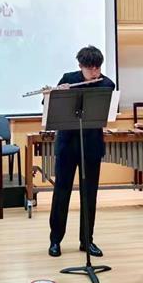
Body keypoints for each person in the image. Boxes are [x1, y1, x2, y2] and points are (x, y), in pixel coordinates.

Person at [48, 45, 116, 258]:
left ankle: (87, 240)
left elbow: (107, 113)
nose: (94, 72)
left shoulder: (107, 84)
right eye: (90, 69)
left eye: (97, 68)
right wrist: (56, 94)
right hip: (67, 144)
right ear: (80, 66)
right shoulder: (68, 79)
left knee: (89, 195)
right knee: (62, 192)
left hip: (91, 145)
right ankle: (55, 240)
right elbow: (48, 105)